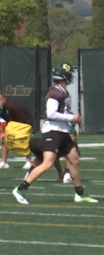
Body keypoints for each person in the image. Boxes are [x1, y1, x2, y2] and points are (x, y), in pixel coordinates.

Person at [12, 62, 97, 204]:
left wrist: (70, 119)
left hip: (63, 132)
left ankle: (79, 194)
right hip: (53, 133)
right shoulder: (55, 92)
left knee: (74, 160)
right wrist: (72, 118)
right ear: (65, 75)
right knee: (47, 164)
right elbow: (50, 114)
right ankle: (20, 189)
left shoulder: (62, 91)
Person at [0, 89, 35, 170]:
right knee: (4, 139)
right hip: (12, 124)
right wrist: (2, 133)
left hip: (25, 122)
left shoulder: (12, 106)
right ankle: (4, 162)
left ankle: (28, 161)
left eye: (0, 100)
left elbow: (22, 119)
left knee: (25, 140)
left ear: (4, 99)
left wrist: (17, 132)